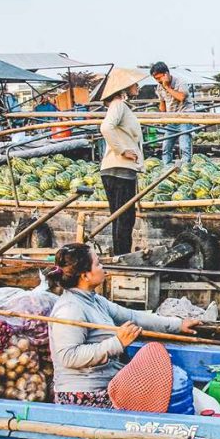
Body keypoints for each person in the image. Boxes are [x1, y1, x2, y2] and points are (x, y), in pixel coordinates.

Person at [47, 243, 200, 408]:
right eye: (98, 264)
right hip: (85, 395)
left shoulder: (95, 300)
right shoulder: (70, 308)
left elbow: (133, 316)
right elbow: (69, 356)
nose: (102, 267)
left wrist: (178, 325)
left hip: (109, 383)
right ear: (85, 276)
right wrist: (117, 343)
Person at [98, 68, 147, 256]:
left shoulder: (121, 107)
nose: (137, 87)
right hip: (119, 168)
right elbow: (106, 127)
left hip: (118, 170)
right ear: (125, 87)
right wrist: (123, 150)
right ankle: (121, 256)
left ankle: (121, 255)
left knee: (121, 217)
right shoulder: (118, 105)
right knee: (124, 218)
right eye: (134, 84)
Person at [151, 61, 195, 165]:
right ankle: (166, 169)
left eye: (159, 78)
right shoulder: (159, 87)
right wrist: (161, 118)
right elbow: (162, 104)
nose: (158, 81)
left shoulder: (180, 82)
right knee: (166, 147)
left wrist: (167, 87)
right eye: (156, 79)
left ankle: (186, 168)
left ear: (166, 73)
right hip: (172, 119)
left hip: (184, 118)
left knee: (184, 147)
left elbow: (181, 97)